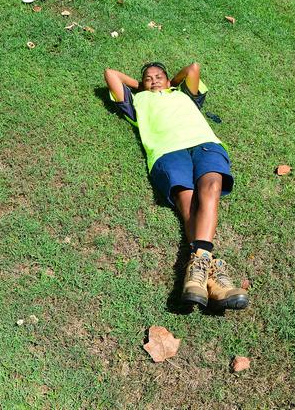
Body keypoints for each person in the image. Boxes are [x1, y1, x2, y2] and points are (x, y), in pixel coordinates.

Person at [103, 62, 249, 310]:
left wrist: (169, 83)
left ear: (170, 80)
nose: (153, 80)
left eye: (159, 76)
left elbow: (193, 68)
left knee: (211, 185)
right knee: (187, 202)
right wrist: (141, 87)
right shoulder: (136, 101)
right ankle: (212, 277)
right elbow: (111, 74)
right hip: (167, 152)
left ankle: (198, 270)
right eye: (148, 78)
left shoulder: (185, 96)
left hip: (205, 144)